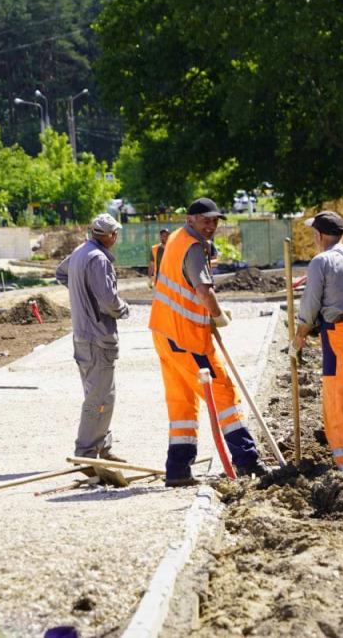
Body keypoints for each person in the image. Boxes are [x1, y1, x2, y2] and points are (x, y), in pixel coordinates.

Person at [148, 197, 268, 486]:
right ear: (191, 219)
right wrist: (217, 315)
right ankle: (247, 461)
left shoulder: (176, 238)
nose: (211, 225)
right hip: (187, 338)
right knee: (224, 394)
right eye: (206, 220)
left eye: (215, 220)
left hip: (164, 333)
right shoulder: (192, 248)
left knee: (182, 404)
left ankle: (177, 470)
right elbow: (203, 290)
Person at [291, 211, 343, 490]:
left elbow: (311, 303)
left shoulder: (321, 261)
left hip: (340, 340)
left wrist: (300, 334)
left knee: (339, 408)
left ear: (319, 235)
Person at [56, 213, 130, 461]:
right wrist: (123, 309)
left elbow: (61, 273)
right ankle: (86, 453)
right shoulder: (98, 260)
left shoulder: (80, 252)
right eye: (115, 234)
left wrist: (81, 295)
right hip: (98, 338)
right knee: (99, 398)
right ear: (110, 236)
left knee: (100, 395)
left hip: (82, 336)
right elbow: (109, 302)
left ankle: (103, 448)